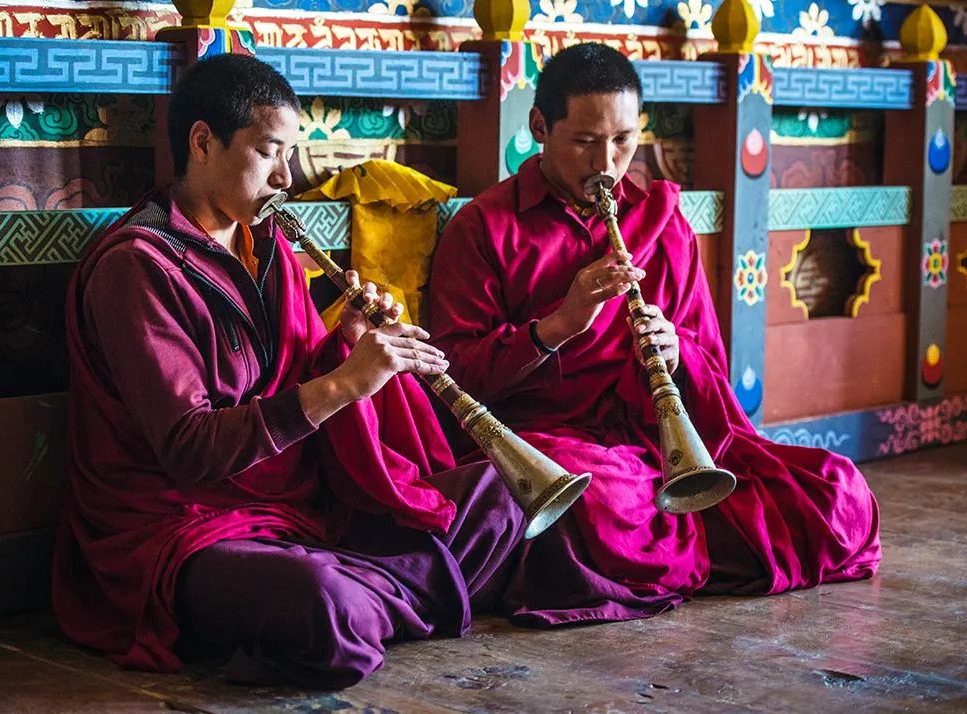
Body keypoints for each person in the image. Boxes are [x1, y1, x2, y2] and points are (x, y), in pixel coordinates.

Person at [53, 52, 526, 689]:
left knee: (500, 497)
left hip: (294, 506)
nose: (287, 176)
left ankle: (369, 602)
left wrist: (352, 344)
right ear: (202, 142)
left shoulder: (267, 242)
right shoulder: (136, 267)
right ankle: (383, 596)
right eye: (270, 152)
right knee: (322, 599)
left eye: (292, 154)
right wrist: (344, 383)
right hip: (180, 526)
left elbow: (299, 369)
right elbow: (189, 450)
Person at [427, 42, 881, 625]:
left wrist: (675, 349)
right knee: (600, 501)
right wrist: (559, 326)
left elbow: (713, 369)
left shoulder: (662, 220)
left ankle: (650, 549)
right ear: (540, 125)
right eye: (586, 142)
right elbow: (455, 376)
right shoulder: (484, 227)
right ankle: (656, 544)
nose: (607, 164)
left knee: (837, 492)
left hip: (663, 440)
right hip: (555, 440)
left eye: (623, 141)